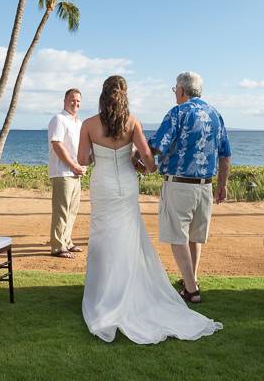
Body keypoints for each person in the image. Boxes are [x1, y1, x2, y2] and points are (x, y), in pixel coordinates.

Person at [78, 75, 222, 344]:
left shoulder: (88, 124)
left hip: (103, 184)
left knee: (104, 235)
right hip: (127, 184)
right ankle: (128, 289)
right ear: (124, 95)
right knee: (128, 235)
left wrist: (97, 154)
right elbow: (146, 155)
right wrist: (150, 167)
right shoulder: (132, 122)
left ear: (102, 94)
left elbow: (82, 159)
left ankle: (104, 292)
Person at [146, 71, 231, 303]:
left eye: (175, 90)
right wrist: (222, 185)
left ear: (182, 90)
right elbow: (225, 154)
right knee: (194, 237)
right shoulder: (216, 114)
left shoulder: (178, 112)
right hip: (205, 187)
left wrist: (139, 159)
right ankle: (190, 279)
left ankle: (191, 289)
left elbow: (157, 144)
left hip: (180, 185)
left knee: (178, 236)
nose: (175, 94)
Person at [47, 88, 86, 259]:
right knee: (61, 210)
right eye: (72, 100)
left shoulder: (78, 123)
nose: (75, 103)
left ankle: (67, 241)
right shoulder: (59, 119)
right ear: (64, 100)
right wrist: (73, 165)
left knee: (72, 210)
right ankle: (57, 246)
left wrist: (81, 165)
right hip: (62, 172)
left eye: (78, 101)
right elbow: (57, 145)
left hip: (75, 172)